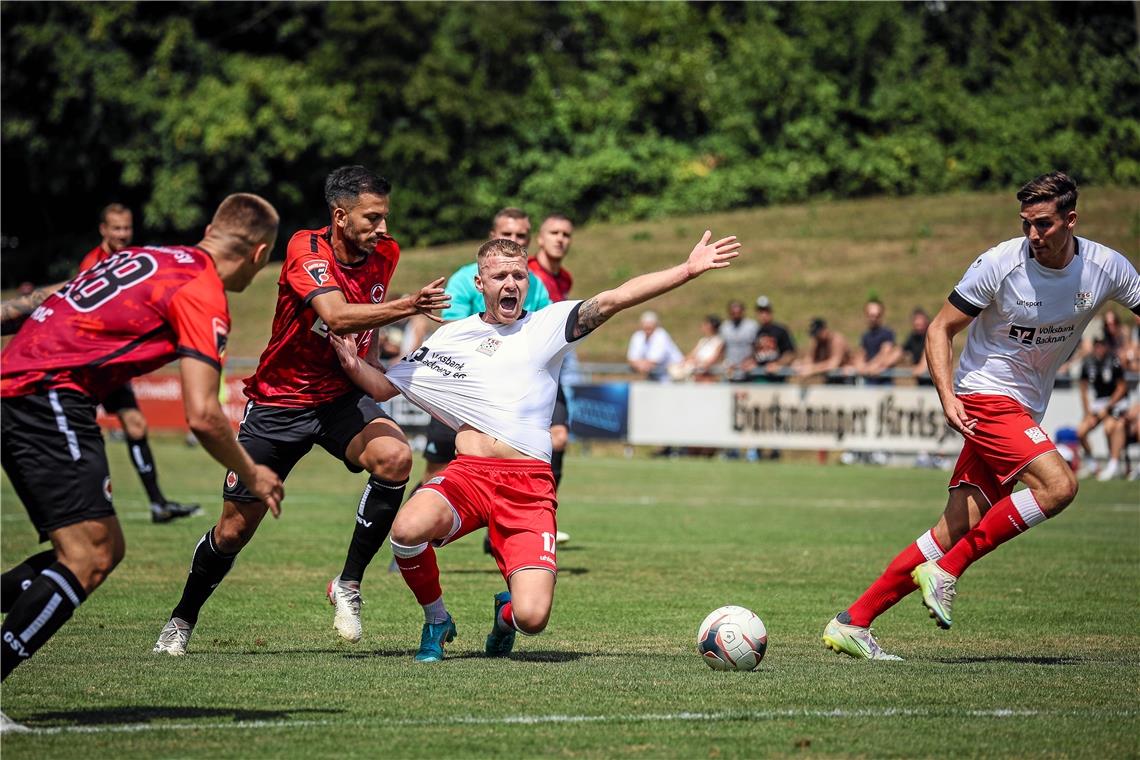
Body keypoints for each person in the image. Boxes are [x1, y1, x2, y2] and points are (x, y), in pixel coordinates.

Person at [329, 229, 741, 662]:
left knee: (533, 618)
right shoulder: (450, 338)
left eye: (519, 276)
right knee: (406, 530)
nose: (511, 284)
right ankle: (436, 619)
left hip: (528, 487)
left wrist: (688, 269)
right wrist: (351, 362)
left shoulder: (546, 325)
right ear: (480, 283)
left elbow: (617, 297)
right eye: (500, 275)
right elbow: (385, 386)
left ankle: (505, 614)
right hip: (468, 476)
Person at [822, 171, 1140, 660]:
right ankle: (948, 570)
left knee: (953, 527)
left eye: (1044, 224)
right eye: (1026, 224)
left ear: (1070, 220)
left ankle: (853, 620)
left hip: (1024, 405)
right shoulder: (1000, 263)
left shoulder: (1106, 267)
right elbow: (939, 329)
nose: (1033, 235)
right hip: (986, 397)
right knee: (1059, 487)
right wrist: (948, 396)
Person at [152, 166, 450, 655]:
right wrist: (408, 306)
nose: (383, 230)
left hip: (338, 397)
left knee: (396, 459)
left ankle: (348, 585)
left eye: (385, 218)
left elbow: (364, 338)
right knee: (232, 531)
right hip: (278, 403)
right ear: (339, 215)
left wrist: (376, 373)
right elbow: (335, 314)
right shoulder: (304, 249)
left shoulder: (385, 254)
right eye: (372, 218)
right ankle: (181, 620)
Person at [1, 193, 285, 687]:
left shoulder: (147, 257)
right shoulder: (204, 290)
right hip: (45, 395)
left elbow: (55, 296)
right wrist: (254, 471)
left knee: (101, 548)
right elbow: (202, 414)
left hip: (25, 387)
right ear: (259, 254)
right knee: (88, 555)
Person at [400, 208, 561, 562]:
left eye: (522, 236)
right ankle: (415, 541)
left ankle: (518, 535)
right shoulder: (462, 279)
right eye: (509, 234)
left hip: (514, 396)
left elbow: (544, 333)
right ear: (491, 234)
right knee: (434, 471)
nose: (517, 241)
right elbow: (457, 339)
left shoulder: (535, 284)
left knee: (552, 439)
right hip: (460, 393)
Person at [79, 203, 202, 523]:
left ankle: (158, 505)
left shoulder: (134, 261)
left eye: (126, 228)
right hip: (88, 364)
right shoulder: (92, 265)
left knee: (135, 425)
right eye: (116, 228)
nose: (122, 234)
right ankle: (83, 506)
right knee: (85, 434)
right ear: (103, 230)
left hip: (114, 366)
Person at [1075, 338, 1128, 481]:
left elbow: (1122, 388)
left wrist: (1108, 407)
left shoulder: (1113, 361)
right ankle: (1092, 465)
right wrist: (1088, 414)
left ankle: (1113, 464)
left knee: (1109, 428)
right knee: (1081, 432)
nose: (1099, 349)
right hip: (1098, 403)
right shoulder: (1088, 362)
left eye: (1101, 346)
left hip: (1115, 402)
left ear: (1105, 347)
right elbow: (1083, 390)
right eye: (1096, 346)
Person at [850, 299, 901, 384]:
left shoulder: (887, 333)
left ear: (881, 315)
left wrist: (870, 367)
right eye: (870, 315)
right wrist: (860, 366)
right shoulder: (865, 335)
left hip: (883, 380)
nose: (873, 318)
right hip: (869, 379)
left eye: (876, 315)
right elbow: (861, 354)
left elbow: (884, 354)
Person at [627, 310, 683, 381]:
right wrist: (641, 365)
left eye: (650, 324)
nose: (647, 326)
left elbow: (654, 361)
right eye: (645, 323)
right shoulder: (638, 336)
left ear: (656, 325)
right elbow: (632, 359)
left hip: (672, 377)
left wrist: (640, 365)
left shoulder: (661, 335)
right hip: (654, 376)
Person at [671, 314, 724, 381]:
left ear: (711, 326)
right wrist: (682, 362)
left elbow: (712, 360)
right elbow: (692, 354)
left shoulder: (719, 342)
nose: (702, 326)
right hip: (696, 368)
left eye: (705, 324)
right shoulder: (703, 341)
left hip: (709, 371)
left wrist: (698, 362)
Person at [718, 300, 758, 380]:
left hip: (747, 368)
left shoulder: (752, 326)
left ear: (743, 312)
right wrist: (724, 362)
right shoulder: (724, 327)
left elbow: (756, 346)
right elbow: (722, 347)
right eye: (733, 313)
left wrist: (751, 360)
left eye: (738, 313)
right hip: (730, 368)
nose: (736, 315)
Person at [900, 307, 932, 383]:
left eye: (920, 323)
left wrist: (922, 366)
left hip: (934, 384)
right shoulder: (912, 337)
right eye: (916, 323)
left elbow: (929, 349)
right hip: (921, 382)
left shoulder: (931, 335)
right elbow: (900, 351)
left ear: (926, 322)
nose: (918, 325)